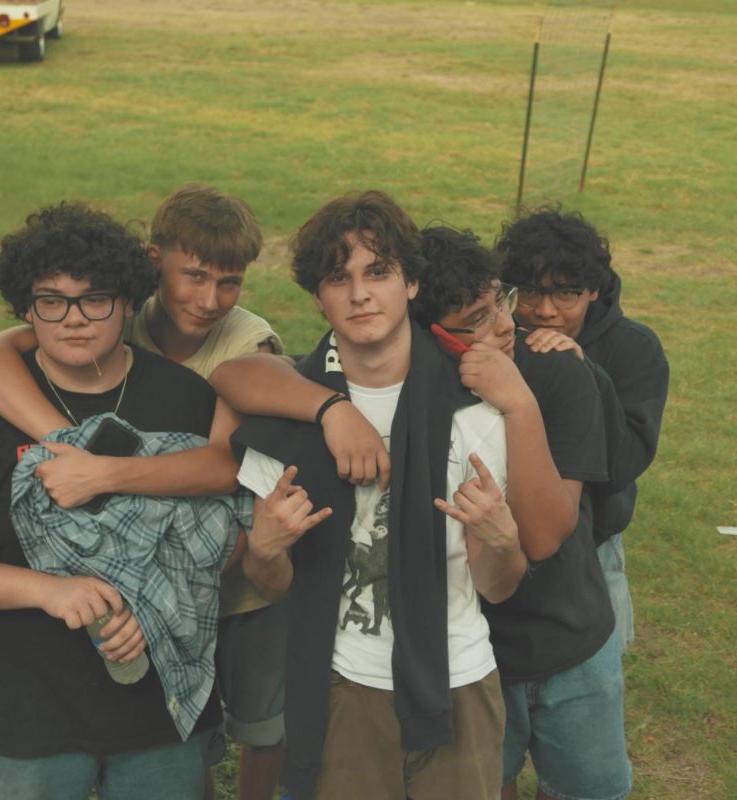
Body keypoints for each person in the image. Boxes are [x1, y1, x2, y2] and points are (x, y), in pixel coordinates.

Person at [0, 183, 289, 800]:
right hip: (141, 575)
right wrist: (66, 439)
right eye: (195, 277)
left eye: (229, 283)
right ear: (152, 267)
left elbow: (226, 465)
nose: (210, 300)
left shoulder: (244, 343)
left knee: (256, 723)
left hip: (236, 566)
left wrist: (103, 471)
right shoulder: (105, 310)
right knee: (186, 730)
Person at [226, 191, 527, 800]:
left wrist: (503, 541)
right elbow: (274, 582)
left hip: (459, 678)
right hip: (340, 685)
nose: (360, 294)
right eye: (339, 278)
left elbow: (499, 585)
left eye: (379, 272)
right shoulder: (288, 413)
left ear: (412, 283)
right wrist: (265, 549)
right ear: (318, 296)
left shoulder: (476, 411)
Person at [416, 226, 630, 800]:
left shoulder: (554, 368)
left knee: (590, 790)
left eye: (502, 302)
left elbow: (544, 535)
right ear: (430, 333)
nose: (509, 325)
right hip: (473, 655)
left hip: (570, 638)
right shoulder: (407, 390)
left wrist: (516, 400)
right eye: (481, 318)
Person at [496, 207, 669, 653]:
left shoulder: (633, 348)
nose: (545, 311)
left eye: (566, 294)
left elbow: (624, 464)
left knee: (594, 670)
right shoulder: (497, 334)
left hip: (593, 548)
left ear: (593, 290)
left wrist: (583, 371)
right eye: (530, 292)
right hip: (504, 535)